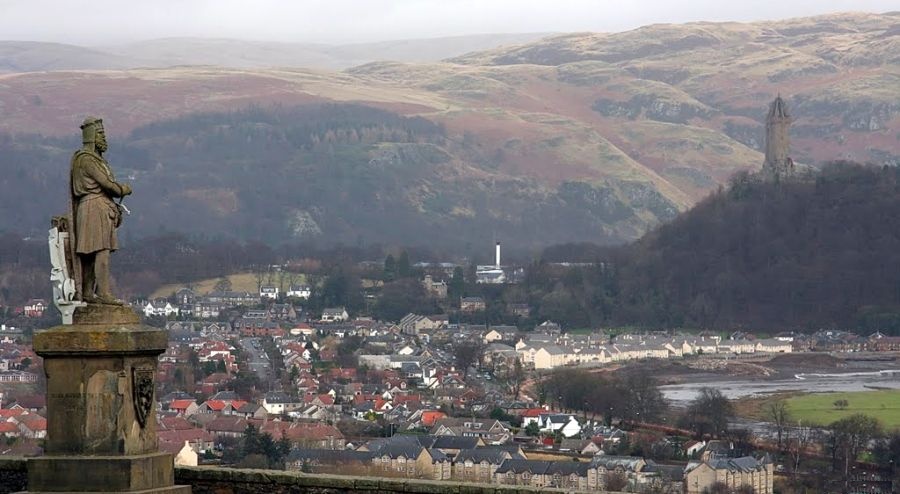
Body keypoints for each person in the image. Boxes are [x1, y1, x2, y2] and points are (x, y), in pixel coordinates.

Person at [70, 117, 132, 304]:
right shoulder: (87, 160)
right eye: (101, 134)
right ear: (92, 136)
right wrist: (123, 189)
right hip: (94, 208)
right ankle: (103, 293)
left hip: (93, 207)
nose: (104, 139)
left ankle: (89, 292)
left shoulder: (90, 159)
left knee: (91, 253)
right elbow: (107, 184)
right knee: (101, 251)